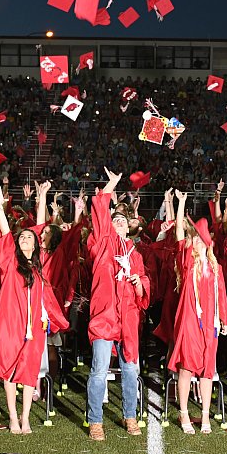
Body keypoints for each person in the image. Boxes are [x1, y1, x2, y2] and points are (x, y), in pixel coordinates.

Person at [0, 183, 67, 434]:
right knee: (9, 368)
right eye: (23, 237)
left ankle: (26, 417)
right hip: (11, 323)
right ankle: (12, 417)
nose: (26, 238)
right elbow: (7, 233)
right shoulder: (10, 261)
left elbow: (41, 227)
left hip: (34, 326)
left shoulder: (39, 266)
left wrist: (42, 198)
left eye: (29, 237)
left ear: (36, 244)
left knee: (30, 370)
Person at [85, 169, 150, 440]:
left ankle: (130, 415)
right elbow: (100, 208)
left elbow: (145, 286)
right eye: (115, 221)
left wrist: (138, 283)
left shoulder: (135, 254)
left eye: (124, 221)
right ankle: (95, 421)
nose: (120, 223)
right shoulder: (100, 244)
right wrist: (112, 184)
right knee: (99, 369)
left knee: (130, 370)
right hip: (104, 316)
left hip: (128, 319)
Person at [166, 190, 227, 434]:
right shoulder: (187, 263)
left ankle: (204, 416)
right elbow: (180, 235)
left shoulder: (215, 267)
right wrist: (181, 205)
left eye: (202, 239)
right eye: (196, 239)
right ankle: (183, 414)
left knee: (207, 369)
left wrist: (224, 318)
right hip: (190, 320)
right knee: (187, 367)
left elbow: (221, 295)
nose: (198, 242)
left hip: (209, 323)